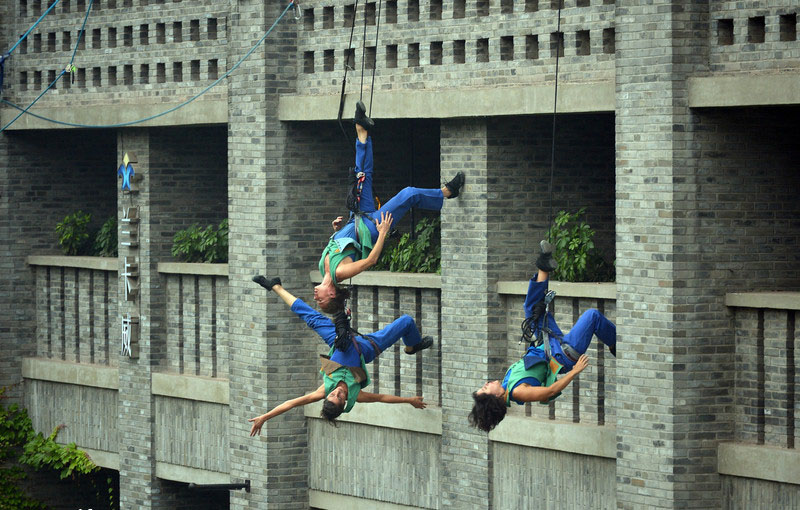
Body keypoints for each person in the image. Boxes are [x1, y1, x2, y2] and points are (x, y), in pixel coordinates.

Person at [315, 101, 465, 314]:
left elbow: (344, 246)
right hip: (373, 227)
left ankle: (362, 131)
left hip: (356, 220)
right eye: (320, 301)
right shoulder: (340, 273)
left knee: (362, 174)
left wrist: (337, 230)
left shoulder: (324, 267)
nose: (315, 298)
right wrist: (383, 233)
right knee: (408, 194)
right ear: (331, 294)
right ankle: (447, 193)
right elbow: (370, 260)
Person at [248, 275, 433, 434]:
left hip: (338, 342)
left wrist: (265, 417)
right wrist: (409, 400)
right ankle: (412, 347)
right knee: (407, 322)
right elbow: (383, 398)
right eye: (339, 396)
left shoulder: (324, 389)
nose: (337, 392)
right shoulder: (355, 395)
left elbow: (292, 403)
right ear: (345, 403)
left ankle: (275, 286)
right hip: (365, 348)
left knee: (310, 317)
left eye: (333, 394)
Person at [468, 241, 617, 432]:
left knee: (531, 309)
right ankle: (616, 345)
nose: (487, 383)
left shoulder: (507, 382)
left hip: (548, 346)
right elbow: (550, 391)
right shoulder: (519, 392)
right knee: (592, 317)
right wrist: (575, 371)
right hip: (562, 356)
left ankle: (544, 265)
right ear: (495, 398)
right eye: (486, 388)